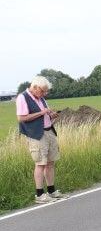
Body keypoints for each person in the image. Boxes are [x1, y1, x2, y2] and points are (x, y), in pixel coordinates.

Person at [16, 76, 63, 204]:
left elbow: (44, 113)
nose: (44, 94)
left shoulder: (40, 97)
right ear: (35, 87)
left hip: (49, 131)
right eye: (42, 91)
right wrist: (42, 113)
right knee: (40, 163)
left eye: (45, 91)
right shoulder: (22, 97)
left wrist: (51, 114)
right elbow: (21, 118)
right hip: (37, 134)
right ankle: (39, 194)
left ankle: (51, 191)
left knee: (50, 162)